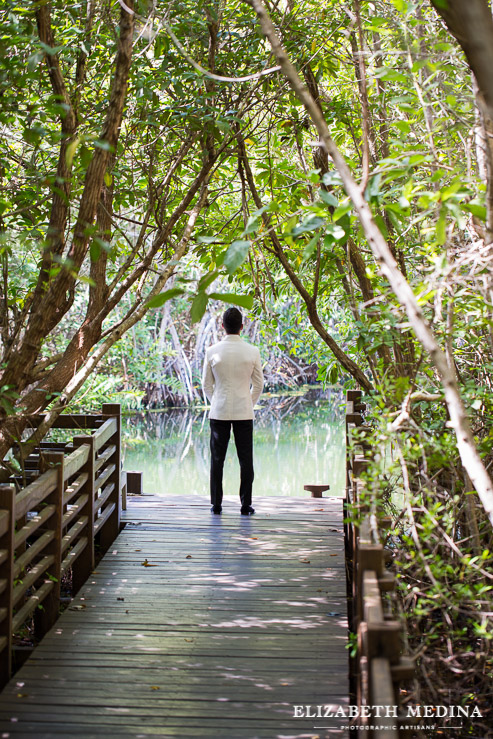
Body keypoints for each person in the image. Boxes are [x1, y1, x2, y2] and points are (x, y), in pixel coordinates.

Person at [202, 307, 264, 515]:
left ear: (222, 326)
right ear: (242, 327)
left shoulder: (212, 351)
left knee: (216, 459)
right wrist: (249, 402)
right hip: (244, 412)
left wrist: (217, 401)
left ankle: (216, 505)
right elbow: (258, 385)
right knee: (246, 459)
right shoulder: (252, 351)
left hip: (218, 412)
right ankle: (245, 505)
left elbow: (206, 386)